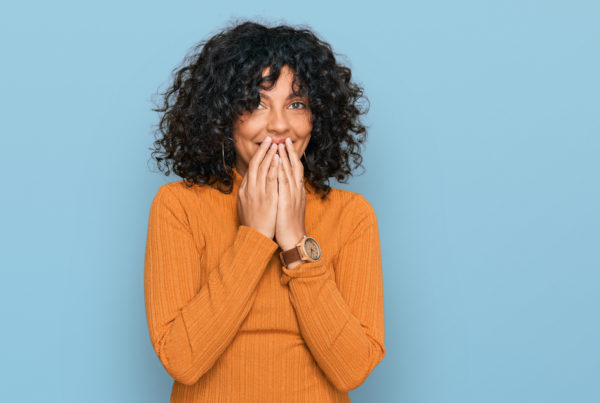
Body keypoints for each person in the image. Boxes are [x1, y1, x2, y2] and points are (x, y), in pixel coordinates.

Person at [144, 19, 385, 402]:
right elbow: (183, 361)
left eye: (296, 104)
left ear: (316, 117)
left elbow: (352, 369)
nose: (279, 125)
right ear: (223, 114)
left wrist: (294, 241)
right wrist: (254, 238)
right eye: (257, 103)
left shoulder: (352, 215)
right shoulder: (178, 206)